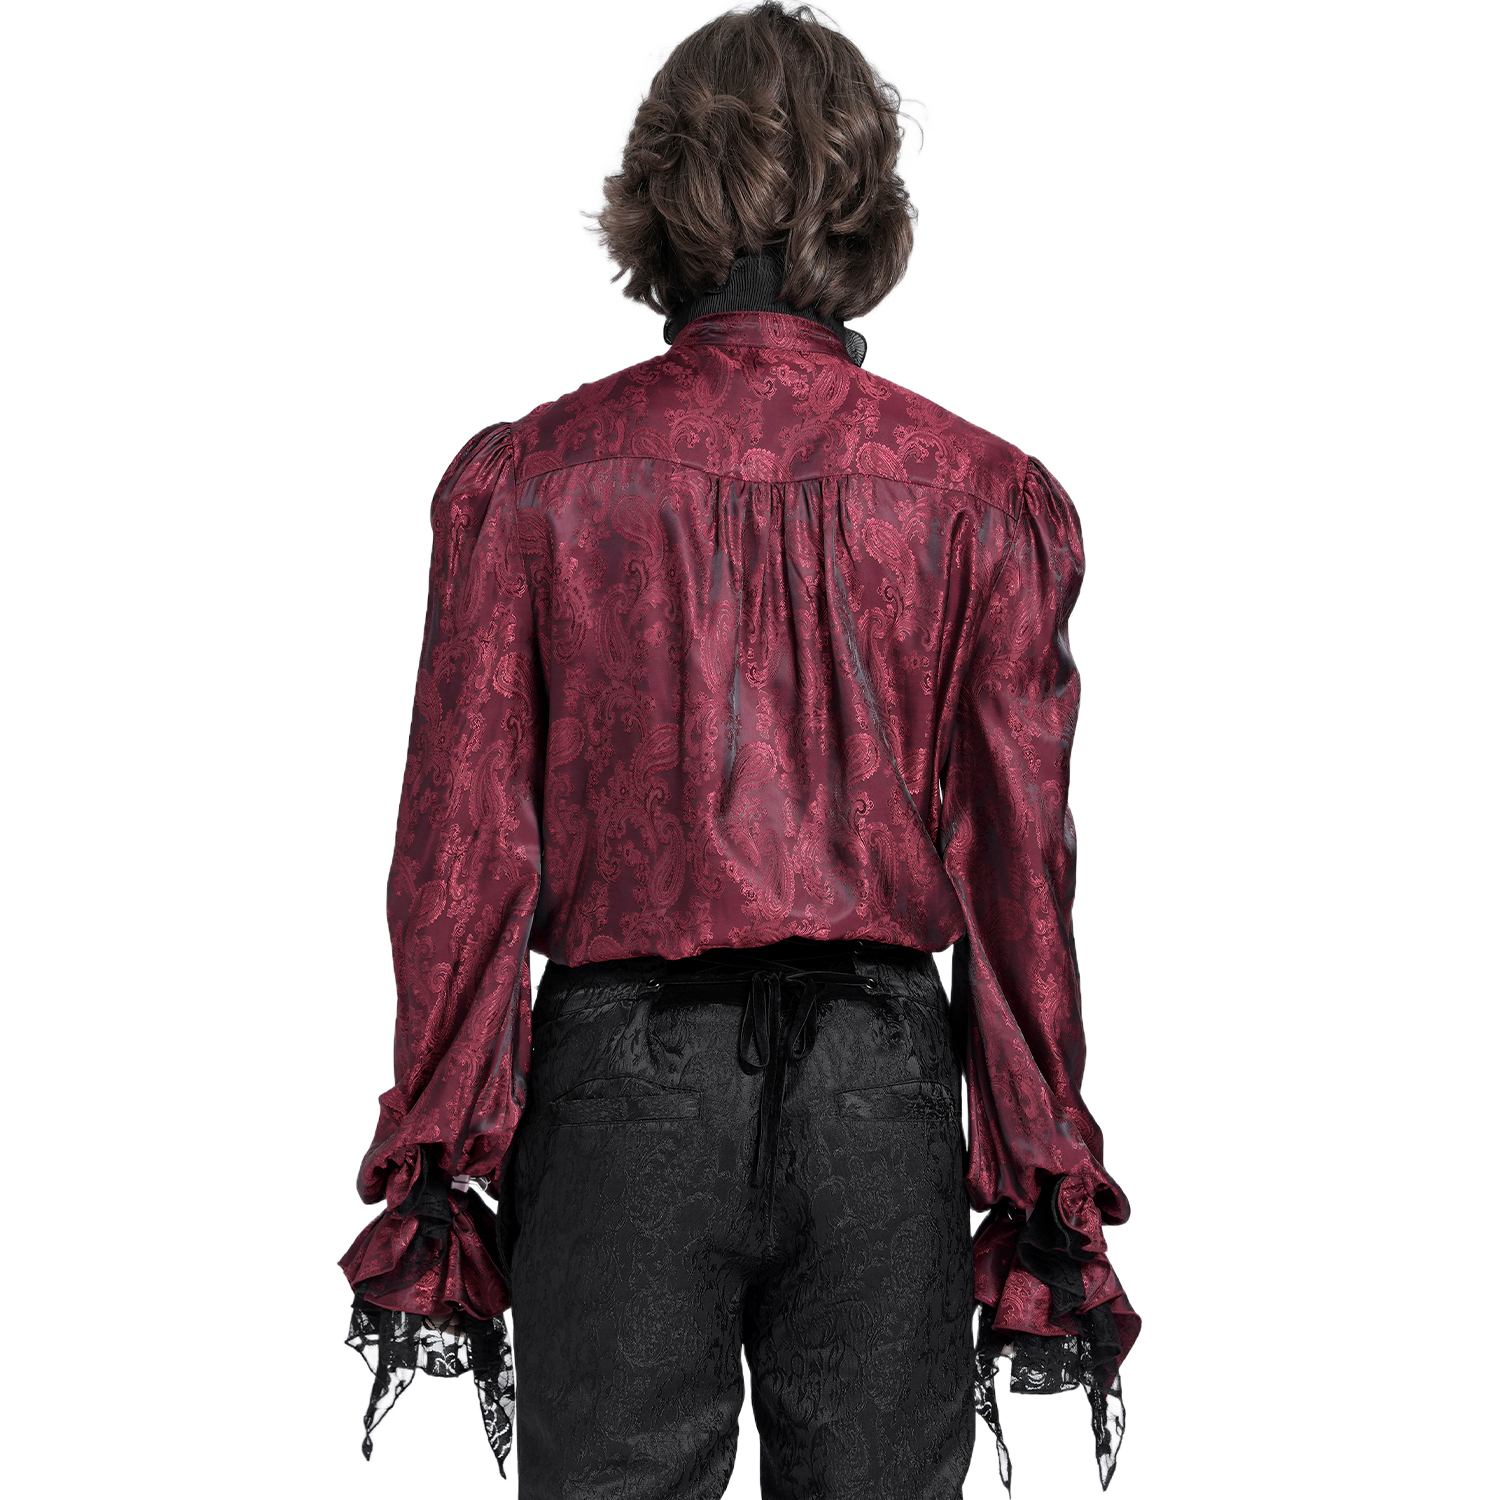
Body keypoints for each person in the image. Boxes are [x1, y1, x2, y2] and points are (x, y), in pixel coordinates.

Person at [338, 4, 1139, 1496]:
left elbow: (460, 849)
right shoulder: (977, 496)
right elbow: (1021, 867)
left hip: (622, 1091)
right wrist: (1044, 1162)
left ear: (658, 194)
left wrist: (441, 1145)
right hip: (879, 1089)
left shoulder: (533, 483)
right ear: (867, 199)